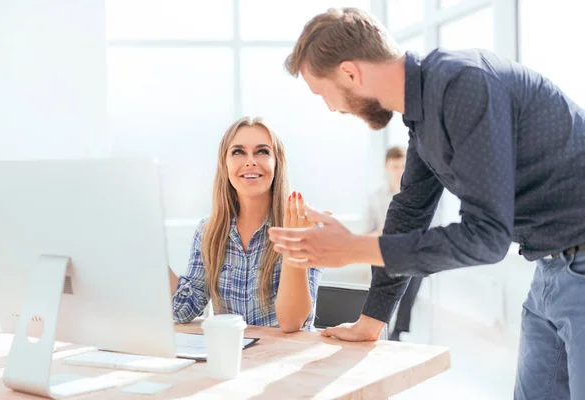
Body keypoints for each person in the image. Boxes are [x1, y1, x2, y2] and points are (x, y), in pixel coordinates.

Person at [267, 7, 585, 399]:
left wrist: (354, 248)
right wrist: (371, 321)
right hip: (552, 270)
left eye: (324, 94)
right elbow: (408, 213)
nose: (333, 108)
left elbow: (486, 237)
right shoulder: (423, 116)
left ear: (350, 72)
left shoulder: (466, 85)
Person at [168, 116, 322, 333]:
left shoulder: (305, 226)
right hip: (232, 354)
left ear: (277, 163)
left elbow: (292, 323)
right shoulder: (208, 231)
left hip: (287, 358)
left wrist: (293, 245)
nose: (250, 161)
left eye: (262, 151)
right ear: (225, 164)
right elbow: (183, 309)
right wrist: (151, 250)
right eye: (238, 152)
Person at [364, 146, 420, 341]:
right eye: (395, 166)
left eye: (403, 166)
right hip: (384, 252)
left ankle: (398, 330)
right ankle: (380, 322)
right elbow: (366, 236)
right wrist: (381, 231)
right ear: (386, 167)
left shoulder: (417, 196)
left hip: (411, 253)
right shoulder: (375, 198)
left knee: (412, 271)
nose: (399, 171)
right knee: (379, 266)